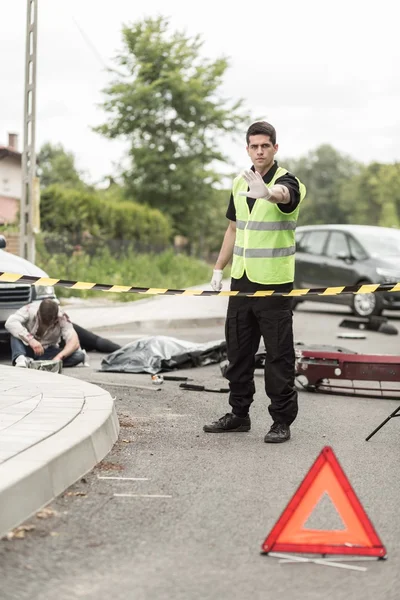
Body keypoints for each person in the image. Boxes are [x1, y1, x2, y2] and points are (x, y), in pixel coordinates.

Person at [203, 121, 306, 443]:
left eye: (265, 145)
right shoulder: (239, 183)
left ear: (275, 147)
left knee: (278, 356)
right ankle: (239, 414)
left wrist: (269, 193)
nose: (259, 151)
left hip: (274, 284)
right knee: (238, 352)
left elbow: (284, 195)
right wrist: (218, 270)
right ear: (247, 149)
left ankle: (281, 421)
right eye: (254, 146)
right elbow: (233, 230)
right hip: (242, 281)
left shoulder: (288, 181)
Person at [5, 298, 85, 368]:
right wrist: (31, 340)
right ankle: (21, 359)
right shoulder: (30, 309)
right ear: (38, 313)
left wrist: (58, 358)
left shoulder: (61, 316)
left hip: (47, 350)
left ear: (55, 319)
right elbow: (10, 322)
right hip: (28, 346)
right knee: (15, 332)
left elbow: (74, 341)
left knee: (79, 355)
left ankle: (38, 363)